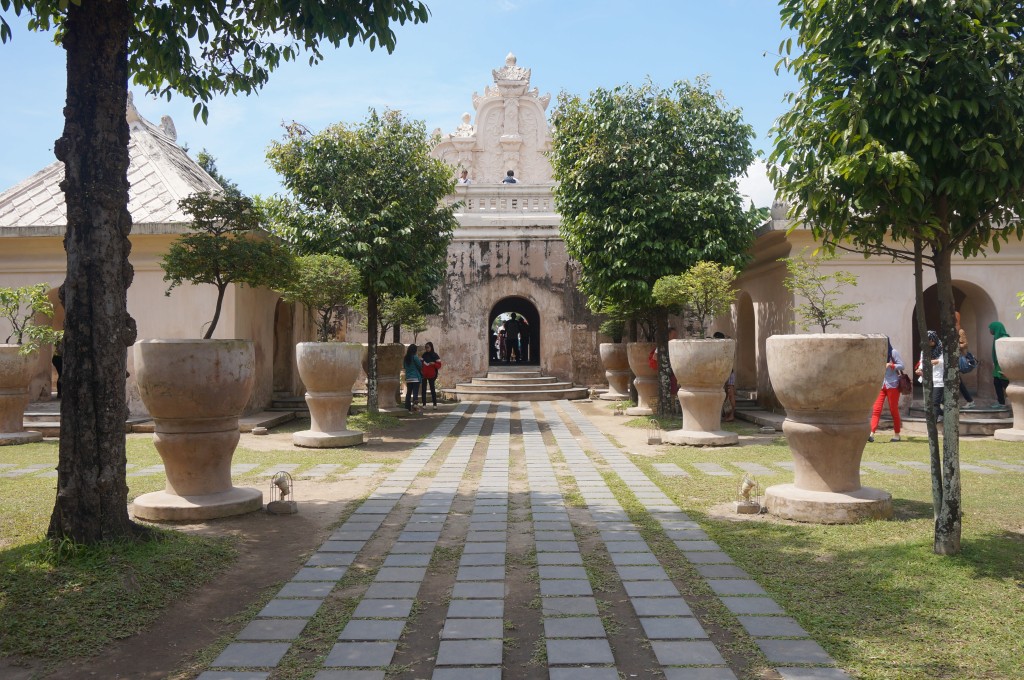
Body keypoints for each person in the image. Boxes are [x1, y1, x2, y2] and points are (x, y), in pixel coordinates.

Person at [869, 339, 904, 442]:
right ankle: (871, 434)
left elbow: (902, 365)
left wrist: (891, 365)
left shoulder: (893, 352)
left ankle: (897, 435)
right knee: (876, 409)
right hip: (881, 385)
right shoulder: (878, 353)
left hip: (892, 384)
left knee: (893, 410)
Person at [916, 330, 945, 421]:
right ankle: (943, 414)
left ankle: (933, 423)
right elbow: (922, 362)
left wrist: (937, 361)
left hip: (938, 378)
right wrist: (920, 369)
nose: (929, 342)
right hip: (928, 378)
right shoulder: (924, 350)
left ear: (934, 339)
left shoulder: (941, 349)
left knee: (935, 402)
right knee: (931, 402)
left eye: (930, 340)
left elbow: (945, 361)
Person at [713, 331, 736, 421]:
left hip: (728, 372)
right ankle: (727, 414)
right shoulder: (722, 348)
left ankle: (732, 415)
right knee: (725, 394)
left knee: (730, 393)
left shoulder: (725, 348)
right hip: (723, 372)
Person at [955, 311, 976, 408]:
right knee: (957, 381)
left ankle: (969, 400)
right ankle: (969, 400)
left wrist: (955, 346)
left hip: (957, 358)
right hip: (951, 358)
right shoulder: (949, 329)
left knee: (956, 381)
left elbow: (965, 344)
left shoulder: (960, 331)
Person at [990, 321, 1011, 406]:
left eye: (991, 328)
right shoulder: (997, 337)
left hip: (1004, 365)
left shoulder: (1004, 338)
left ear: (996, 328)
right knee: (997, 382)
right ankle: (1001, 402)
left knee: (1005, 384)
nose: (990, 331)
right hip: (998, 365)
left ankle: (1009, 402)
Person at [403, 343, 423, 412]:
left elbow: (404, 367)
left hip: (408, 378)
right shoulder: (415, 357)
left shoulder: (405, 358)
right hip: (415, 378)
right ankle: (415, 407)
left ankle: (407, 407)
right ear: (414, 350)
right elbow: (420, 365)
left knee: (408, 393)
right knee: (415, 393)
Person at [420, 342, 441, 409]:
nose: (427, 349)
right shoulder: (424, 355)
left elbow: (439, 366)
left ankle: (435, 404)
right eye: (426, 347)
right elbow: (421, 364)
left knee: (432, 389)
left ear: (431, 347)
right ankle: (424, 404)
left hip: (432, 375)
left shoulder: (435, 355)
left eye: (428, 347)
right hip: (424, 375)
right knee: (423, 389)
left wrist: (434, 364)